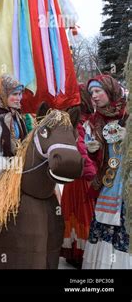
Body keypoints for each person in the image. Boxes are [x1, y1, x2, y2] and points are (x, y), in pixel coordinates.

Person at [82, 75, 130, 269]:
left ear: (110, 91)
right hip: (108, 183)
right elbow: (97, 159)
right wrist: (93, 151)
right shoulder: (95, 121)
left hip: (127, 183)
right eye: (91, 92)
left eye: (97, 91)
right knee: (105, 226)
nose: (93, 96)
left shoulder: (129, 113)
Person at [60, 85, 97, 268]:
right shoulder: (79, 123)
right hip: (83, 178)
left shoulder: (81, 120)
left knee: (75, 215)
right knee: (84, 215)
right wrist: (93, 173)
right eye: (92, 95)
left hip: (74, 179)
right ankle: (80, 254)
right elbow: (81, 150)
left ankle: (74, 252)